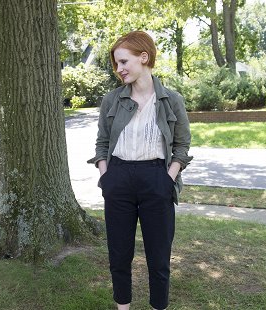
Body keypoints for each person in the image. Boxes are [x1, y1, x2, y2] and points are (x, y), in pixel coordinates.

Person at [88, 31, 193, 310]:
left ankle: (159, 306)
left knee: (159, 257)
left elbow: (182, 145)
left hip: (156, 179)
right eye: (116, 64)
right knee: (119, 254)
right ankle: (123, 307)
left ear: (144, 57)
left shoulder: (171, 100)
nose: (119, 70)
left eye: (123, 62)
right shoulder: (112, 100)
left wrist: (167, 179)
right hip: (118, 179)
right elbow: (102, 142)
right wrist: (105, 176)